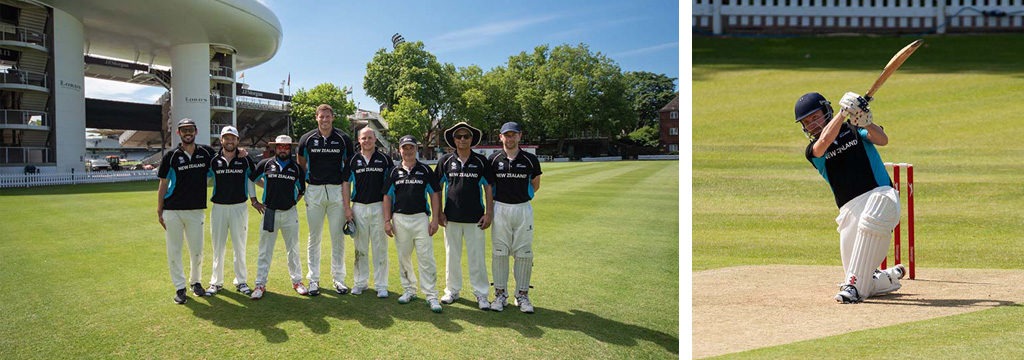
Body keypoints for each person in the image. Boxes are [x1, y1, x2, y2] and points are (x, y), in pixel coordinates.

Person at [794, 91, 906, 304]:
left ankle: (854, 288)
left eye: (815, 117)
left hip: (882, 196)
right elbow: (825, 139)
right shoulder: (813, 151)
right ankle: (886, 278)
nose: (812, 124)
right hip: (850, 211)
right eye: (806, 122)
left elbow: (883, 140)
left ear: (826, 111)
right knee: (858, 277)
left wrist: (867, 122)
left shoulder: (854, 129)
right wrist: (844, 112)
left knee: (855, 279)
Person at [157, 118, 218, 304]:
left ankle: (195, 282)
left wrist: (241, 152)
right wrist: (159, 210)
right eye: (184, 130)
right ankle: (180, 287)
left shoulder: (206, 153)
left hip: (196, 210)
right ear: (178, 133)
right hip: (172, 210)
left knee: (197, 250)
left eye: (190, 129)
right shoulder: (171, 156)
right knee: (174, 250)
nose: (187, 133)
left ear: (196, 131)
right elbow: (163, 183)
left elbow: (225, 158)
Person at [297, 104, 356, 296]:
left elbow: (349, 166)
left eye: (327, 116)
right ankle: (313, 279)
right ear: (316, 117)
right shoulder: (306, 139)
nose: (324, 120)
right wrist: (306, 185)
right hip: (314, 191)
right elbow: (301, 164)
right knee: (314, 237)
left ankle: (338, 278)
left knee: (337, 236)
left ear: (333, 117)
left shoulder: (343, 139)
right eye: (321, 116)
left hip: (336, 190)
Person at [435, 122, 495, 310]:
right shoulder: (445, 161)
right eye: (458, 136)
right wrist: (439, 213)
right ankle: (452, 290)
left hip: (475, 218)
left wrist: (489, 213)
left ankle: (481, 294)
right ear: (453, 140)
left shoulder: (481, 161)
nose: (462, 139)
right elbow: (437, 188)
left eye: (466, 136)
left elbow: (488, 188)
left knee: (477, 258)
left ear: (471, 139)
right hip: (451, 218)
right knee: (452, 256)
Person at [383, 135, 443, 313]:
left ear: (416, 149)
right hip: (400, 219)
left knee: (426, 258)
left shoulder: (425, 170)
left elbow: (434, 194)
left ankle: (431, 295)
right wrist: (387, 220)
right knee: (404, 257)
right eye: (405, 148)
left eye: (411, 147)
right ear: (399, 150)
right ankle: (409, 290)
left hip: (420, 219)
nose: (408, 151)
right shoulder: (394, 172)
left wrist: (435, 219)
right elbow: (387, 196)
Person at [487, 122, 542, 313]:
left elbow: (535, 184)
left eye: (513, 135)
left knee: (524, 253)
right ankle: (500, 295)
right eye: (506, 135)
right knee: (500, 252)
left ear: (519, 136)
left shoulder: (530, 160)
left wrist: (521, 196)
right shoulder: (494, 159)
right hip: (500, 208)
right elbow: (489, 187)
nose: (510, 138)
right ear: (500, 137)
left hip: (522, 209)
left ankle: (522, 295)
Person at [205, 126, 262, 296]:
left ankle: (241, 281)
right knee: (218, 247)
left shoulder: (245, 160)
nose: (229, 141)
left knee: (239, 246)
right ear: (221, 140)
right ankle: (216, 282)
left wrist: (256, 198)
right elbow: (203, 179)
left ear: (237, 140)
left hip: (239, 207)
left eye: (233, 138)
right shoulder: (214, 161)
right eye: (226, 138)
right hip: (219, 208)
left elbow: (252, 179)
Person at [249, 135, 307, 300]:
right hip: (270, 212)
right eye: (280, 146)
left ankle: (297, 282)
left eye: (286, 147)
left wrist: (292, 203)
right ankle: (260, 284)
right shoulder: (265, 164)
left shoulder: (296, 168)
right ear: (275, 148)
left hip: (289, 213)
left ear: (290, 149)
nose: (283, 149)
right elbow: (251, 179)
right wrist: (254, 201)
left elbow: (301, 190)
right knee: (265, 250)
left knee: (293, 249)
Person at [344, 127, 393, 298]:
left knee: (380, 248)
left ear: (375, 139)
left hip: (379, 207)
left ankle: (381, 285)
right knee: (360, 247)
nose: (367, 141)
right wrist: (347, 208)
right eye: (363, 138)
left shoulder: (385, 160)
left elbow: (391, 187)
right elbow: (346, 184)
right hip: (358, 207)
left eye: (370, 138)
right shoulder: (353, 160)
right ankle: (360, 283)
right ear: (359, 140)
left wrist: (389, 214)